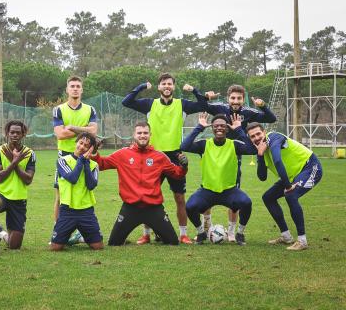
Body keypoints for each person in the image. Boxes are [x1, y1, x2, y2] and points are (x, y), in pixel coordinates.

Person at [122, 73, 217, 244]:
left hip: (175, 156)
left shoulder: (183, 105)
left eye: (170, 84)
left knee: (179, 198)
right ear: (159, 87)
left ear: (174, 87)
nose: (167, 86)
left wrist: (194, 90)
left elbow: (204, 104)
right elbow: (126, 101)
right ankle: (146, 234)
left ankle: (183, 234)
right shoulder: (150, 104)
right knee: (146, 197)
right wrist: (142, 86)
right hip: (153, 156)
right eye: (164, 84)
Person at [91, 122, 188, 246]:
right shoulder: (123, 154)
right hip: (130, 208)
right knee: (114, 243)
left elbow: (177, 174)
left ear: (150, 135)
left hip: (154, 208)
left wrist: (184, 166)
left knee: (172, 242)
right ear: (134, 135)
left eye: (145, 133)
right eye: (139, 133)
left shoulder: (159, 157)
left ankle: (158, 229)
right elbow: (101, 164)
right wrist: (94, 153)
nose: (142, 135)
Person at [203, 84, 277, 241]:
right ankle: (207, 225)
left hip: (234, 155)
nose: (235, 101)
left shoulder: (248, 112)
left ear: (243, 100)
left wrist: (262, 106)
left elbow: (271, 118)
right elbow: (201, 105)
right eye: (233, 98)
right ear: (228, 98)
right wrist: (206, 97)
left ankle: (231, 232)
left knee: (233, 192)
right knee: (207, 188)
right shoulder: (220, 108)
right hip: (213, 152)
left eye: (239, 98)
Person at [180, 113, 256, 245]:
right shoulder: (205, 144)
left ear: (227, 128)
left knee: (246, 203)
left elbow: (252, 149)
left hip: (229, 191)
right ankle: (201, 233)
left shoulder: (234, 144)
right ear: (212, 128)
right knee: (190, 206)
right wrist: (199, 127)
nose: (219, 128)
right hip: (207, 192)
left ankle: (239, 234)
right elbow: (184, 146)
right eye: (216, 126)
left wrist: (238, 129)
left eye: (222, 125)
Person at [246, 122, 323, 251]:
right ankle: (286, 236)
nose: (257, 138)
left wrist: (288, 186)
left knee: (291, 195)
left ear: (264, 132)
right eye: (252, 136)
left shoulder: (274, 137)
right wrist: (259, 155)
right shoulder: (261, 150)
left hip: (310, 167)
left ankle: (302, 241)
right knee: (268, 197)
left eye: (258, 134)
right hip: (292, 176)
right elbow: (262, 177)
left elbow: (277, 160)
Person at [53, 75, 98, 245]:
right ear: (67, 89)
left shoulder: (90, 109)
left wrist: (71, 127)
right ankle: (57, 230)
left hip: (85, 155)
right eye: (72, 86)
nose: (75, 89)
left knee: (85, 191)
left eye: (78, 86)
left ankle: (81, 231)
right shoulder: (59, 109)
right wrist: (85, 131)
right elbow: (60, 134)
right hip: (64, 154)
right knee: (59, 196)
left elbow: (93, 132)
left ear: (82, 89)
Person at [0, 120, 36, 256]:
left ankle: (0, 232)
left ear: (23, 134)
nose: (15, 135)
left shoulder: (30, 153)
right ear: (7, 133)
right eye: (12, 132)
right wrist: (14, 162)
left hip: (19, 199)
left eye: (18, 132)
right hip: (1, 194)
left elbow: (28, 180)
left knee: (14, 246)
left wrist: (15, 162)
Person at [50, 132, 103, 251]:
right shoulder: (62, 161)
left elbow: (91, 185)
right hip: (67, 210)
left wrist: (86, 162)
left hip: (86, 211)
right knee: (55, 248)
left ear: (91, 149)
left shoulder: (94, 165)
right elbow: (72, 178)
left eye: (86, 146)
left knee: (98, 247)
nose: (82, 147)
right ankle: (68, 236)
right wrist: (81, 160)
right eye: (81, 143)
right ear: (76, 142)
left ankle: (81, 237)